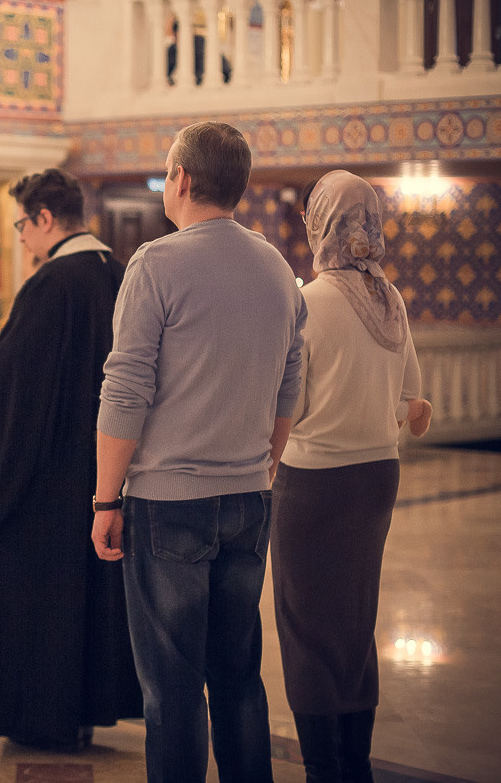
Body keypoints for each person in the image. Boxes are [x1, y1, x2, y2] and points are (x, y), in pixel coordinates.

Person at [92, 121, 307, 782]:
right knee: (239, 675)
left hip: (168, 505)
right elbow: (290, 384)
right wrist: (262, 464)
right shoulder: (277, 266)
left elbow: (126, 389)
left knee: (173, 688)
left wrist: (105, 497)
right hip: (248, 498)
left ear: (181, 179)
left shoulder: (157, 263)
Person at [0, 168, 141, 751]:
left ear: (46, 219)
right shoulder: (117, 274)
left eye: (22, 224)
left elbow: (13, 384)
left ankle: (40, 717)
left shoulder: (53, 283)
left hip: (45, 484)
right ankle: (83, 709)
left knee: (43, 599)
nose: (20, 237)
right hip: (100, 473)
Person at [270, 170, 432, 783]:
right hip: (377, 480)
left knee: (306, 626)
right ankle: (355, 765)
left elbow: (290, 406)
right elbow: (412, 400)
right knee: (356, 623)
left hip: (314, 483)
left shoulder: (309, 302)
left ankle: (323, 770)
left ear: (322, 224)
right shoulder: (390, 300)